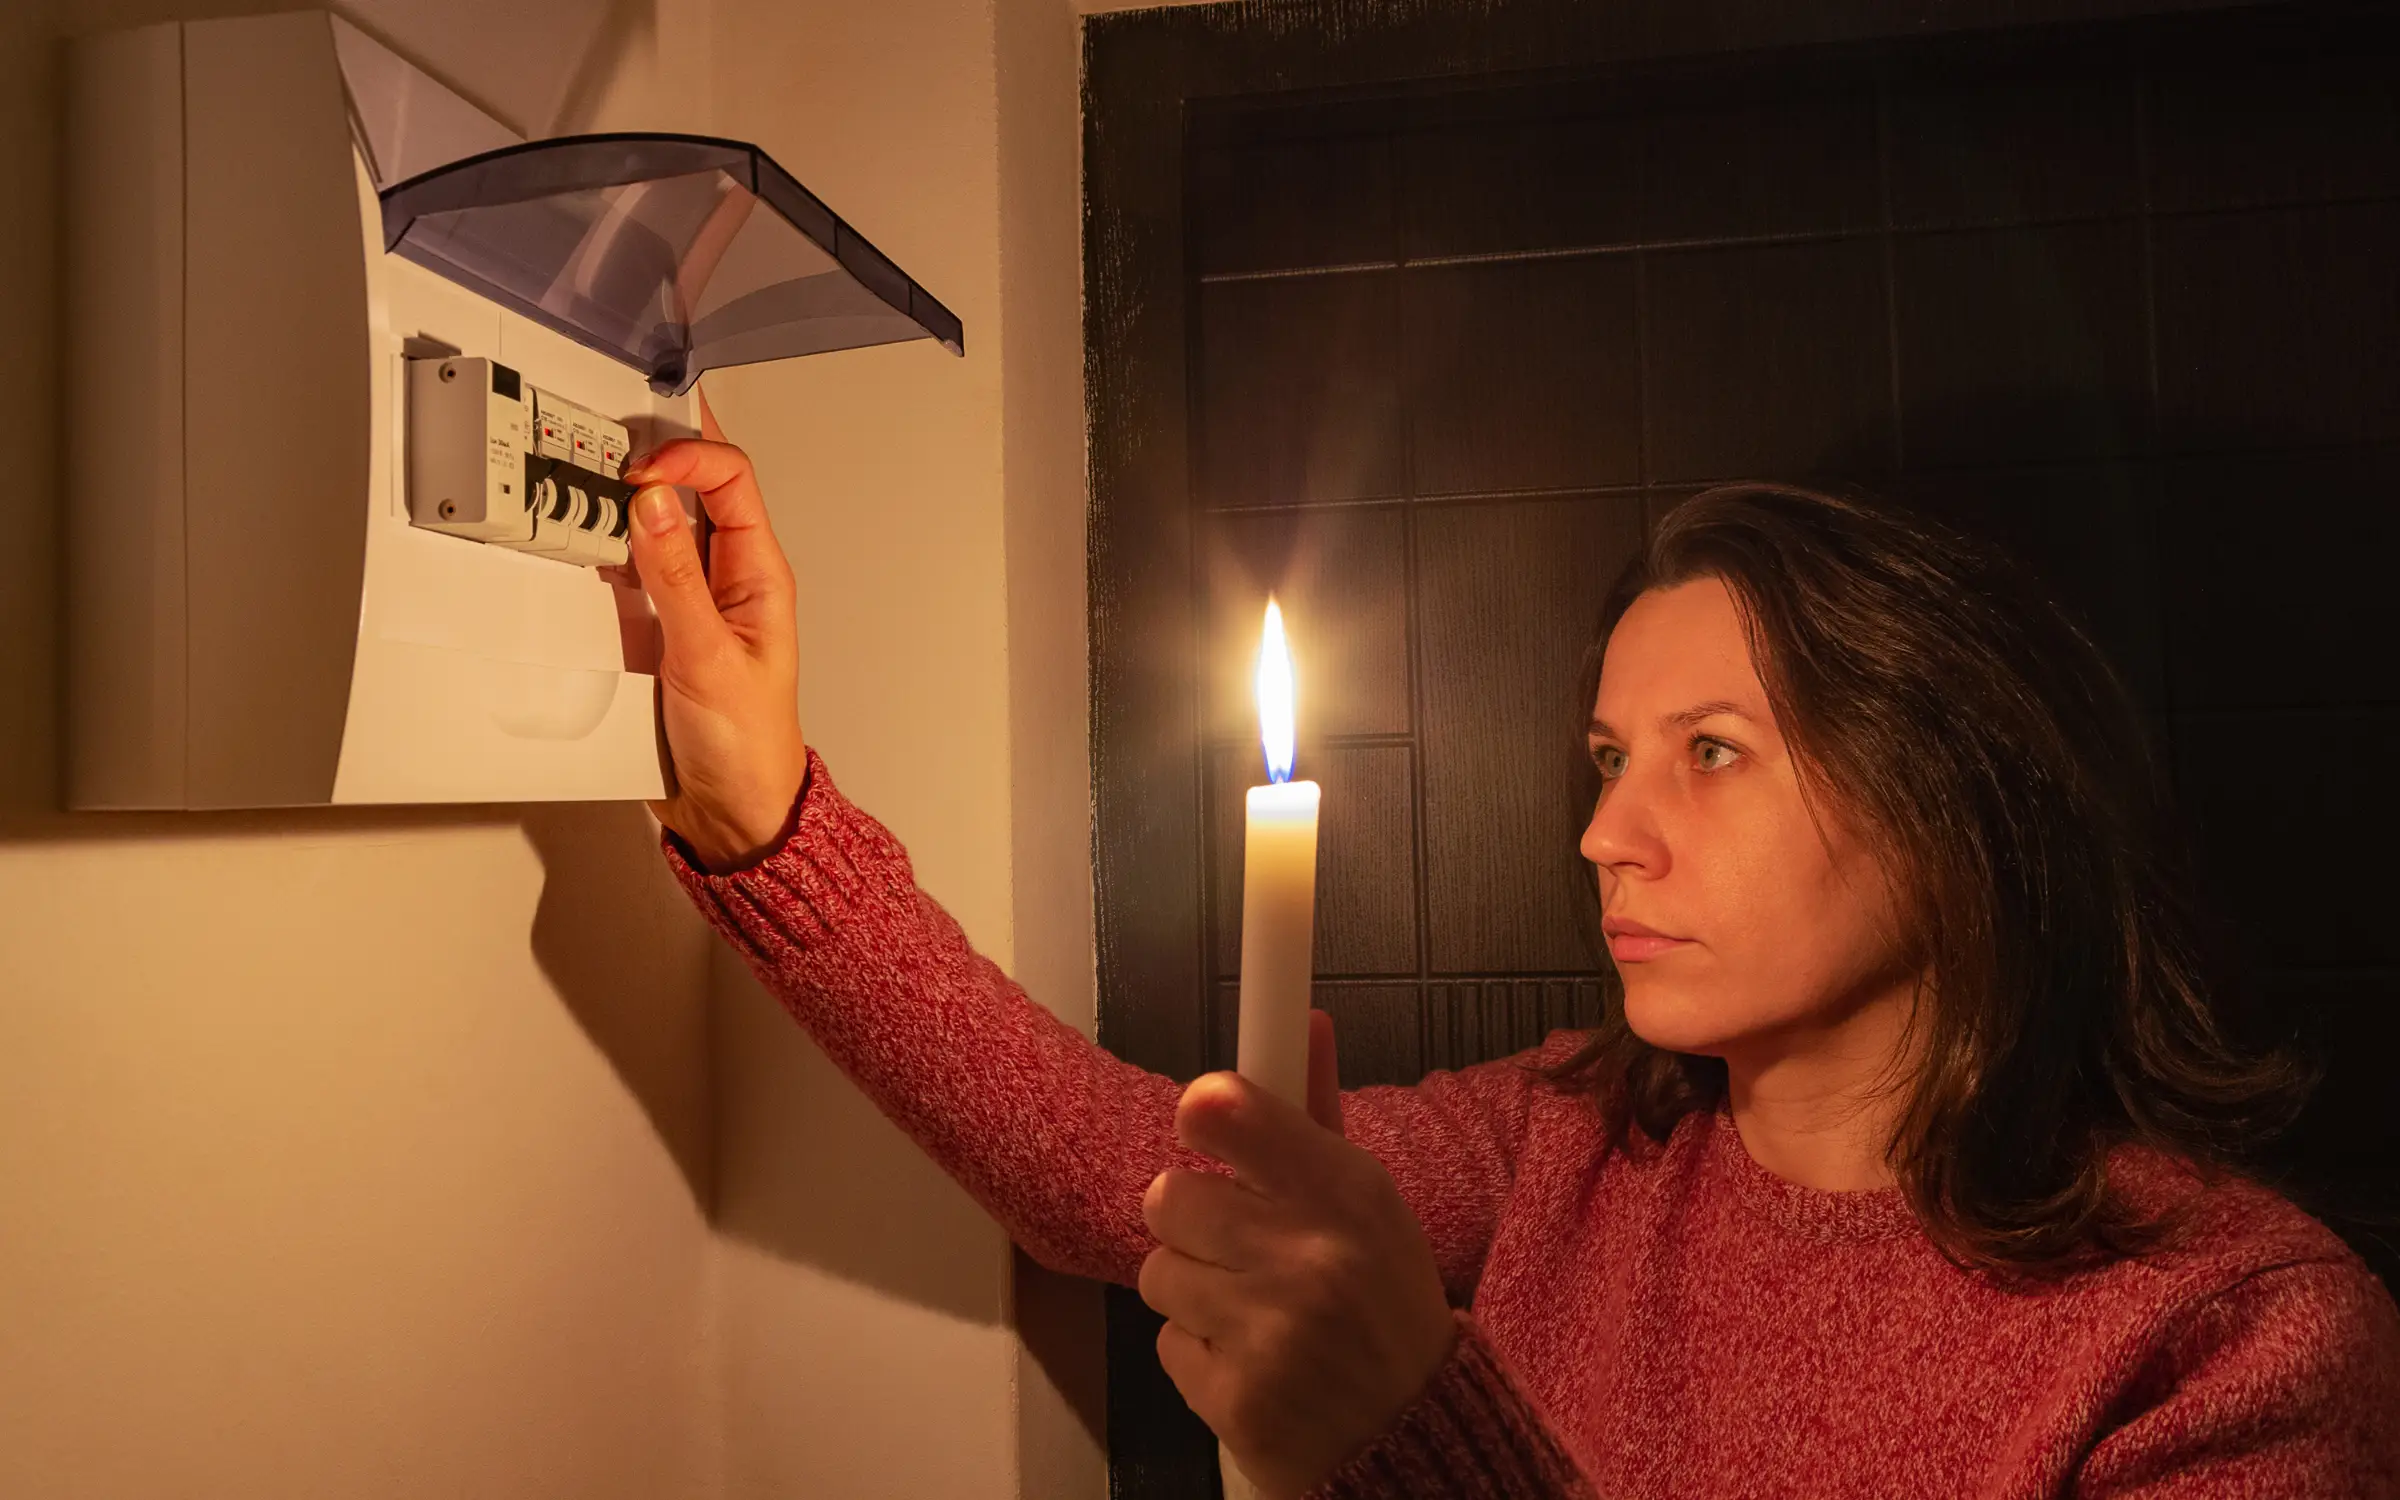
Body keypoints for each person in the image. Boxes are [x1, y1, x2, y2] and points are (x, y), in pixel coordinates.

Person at [613, 412, 2400, 1498]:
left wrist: (1416, 1436)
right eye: (1608, 760)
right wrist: (767, 813)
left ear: (1955, 799)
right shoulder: (1577, 1136)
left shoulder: (2230, 1337)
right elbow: (1110, 1177)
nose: (1606, 833)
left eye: (1710, 751)